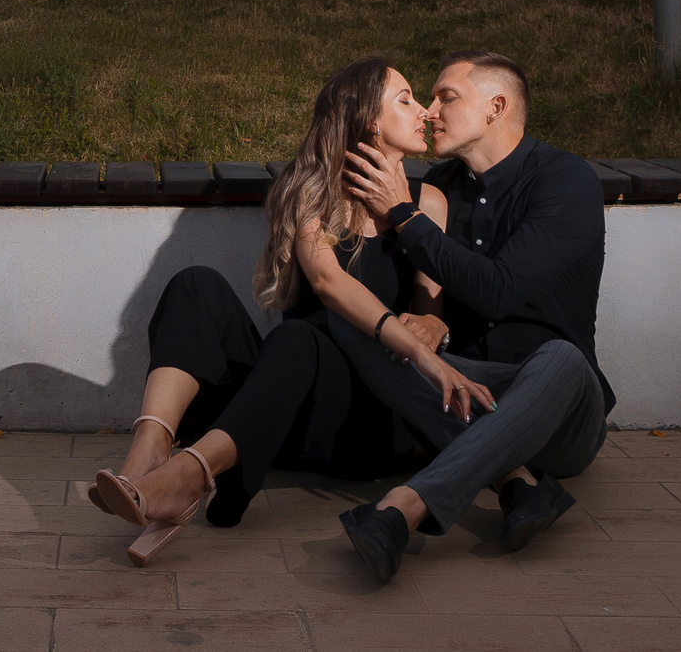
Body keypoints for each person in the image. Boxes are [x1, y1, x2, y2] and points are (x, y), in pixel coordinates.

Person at [87, 58, 480, 566]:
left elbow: (432, 308)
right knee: (195, 286)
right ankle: (146, 458)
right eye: (404, 98)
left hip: (369, 421)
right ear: (368, 121)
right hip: (289, 406)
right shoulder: (310, 187)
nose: (424, 110)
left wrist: (431, 326)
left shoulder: (429, 201)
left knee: (299, 337)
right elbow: (326, 281)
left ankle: (192, 477)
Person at [330, 49, 614, 583]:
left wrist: (405, 218)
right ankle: (520, 486)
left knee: (562, 359)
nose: (430, 111)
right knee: (357, 321)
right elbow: (427, 290)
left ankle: (404, 509)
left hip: (561, 410)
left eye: (446, 97)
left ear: (496, 106)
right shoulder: (438, 189)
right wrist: (430, 318)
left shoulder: (565, 181)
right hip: (463, 392)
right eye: (427, 99)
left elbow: (500, 290)